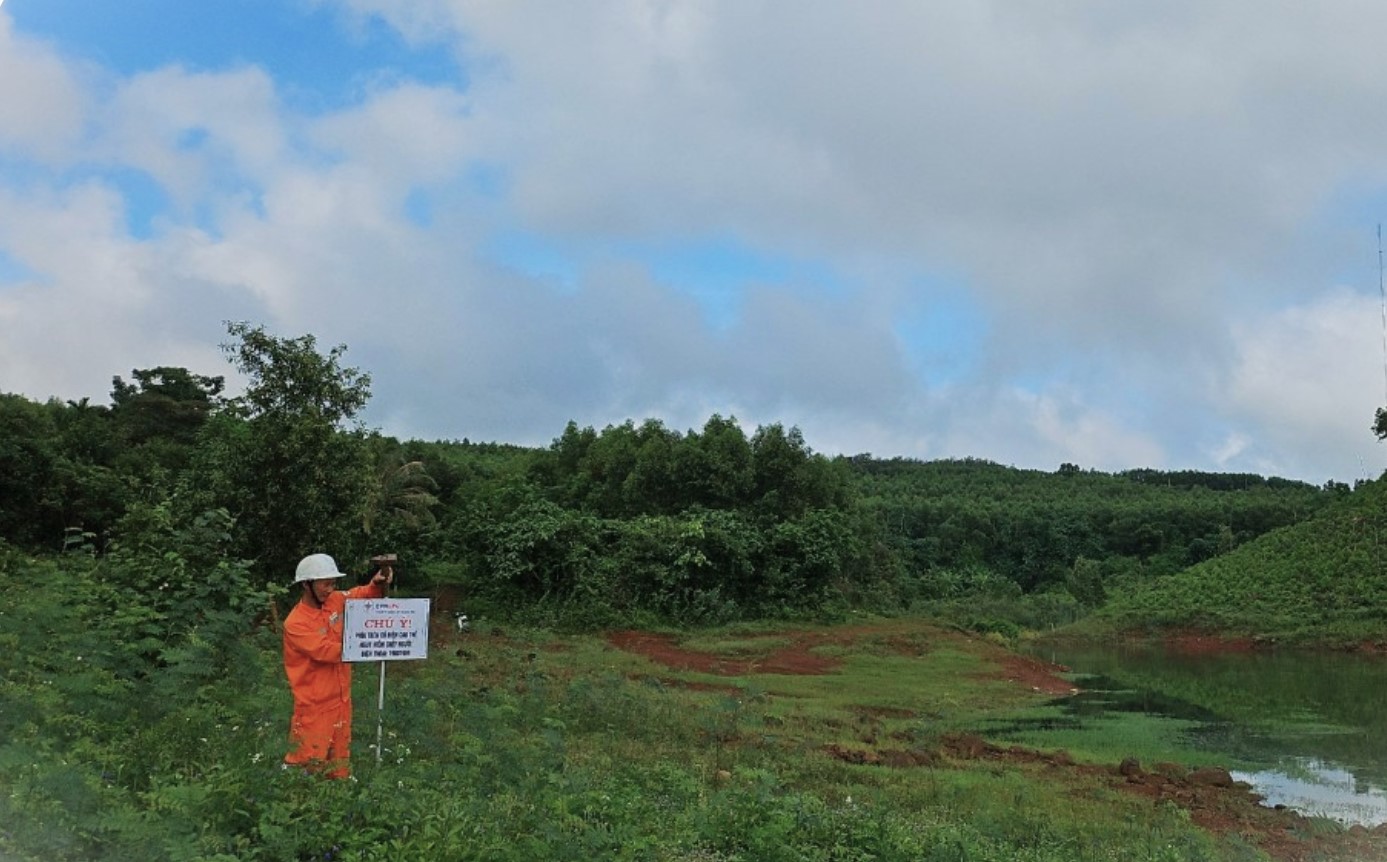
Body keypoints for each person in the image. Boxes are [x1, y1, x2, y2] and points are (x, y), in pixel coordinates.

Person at [282, 552, 393, 778]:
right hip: (314, 708)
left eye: (333, 583)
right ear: (306, 584)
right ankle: (300, 806)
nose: (330, 589)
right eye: (325, 584)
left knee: (339, 764)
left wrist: (375, 585)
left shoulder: (334, 601)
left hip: (341, 701)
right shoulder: (296, 623)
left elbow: (357, 596)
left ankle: (336, 805)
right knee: (309, 764)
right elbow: (329, 652)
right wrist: (370, 644)